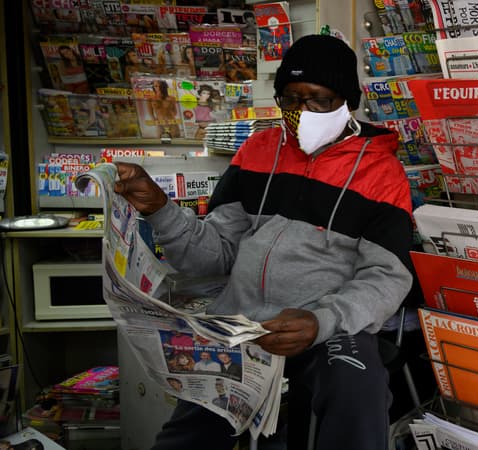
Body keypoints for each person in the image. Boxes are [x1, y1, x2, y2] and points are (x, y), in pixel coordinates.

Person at [115, 34, 414, 450]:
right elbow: (213, 254)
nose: (302, 112)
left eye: (318, 100)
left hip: (328, 326)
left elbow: (387, 278)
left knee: (358, 388)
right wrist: (161, 209)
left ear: (347, 102)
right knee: (187, 435)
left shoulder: (383, 174)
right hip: (243, 322)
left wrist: (321, 322)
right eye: (290, 100)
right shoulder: (256, 151)